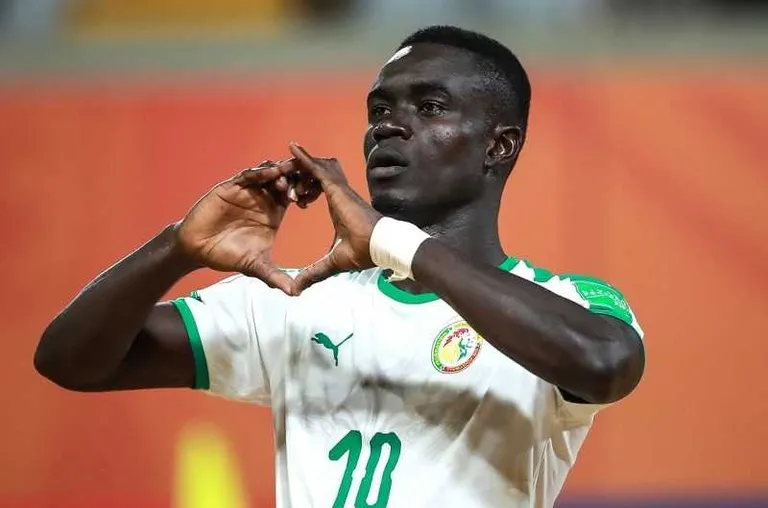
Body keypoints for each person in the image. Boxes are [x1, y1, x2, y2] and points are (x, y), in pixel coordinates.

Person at [34, 25, 645, 508]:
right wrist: (175, 249)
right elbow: (70, 360)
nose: (388, 125)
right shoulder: (299, 299)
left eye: (429, 107)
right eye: (379, 108)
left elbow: (606, 364)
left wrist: (393, 243)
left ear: (498, 145)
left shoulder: (566, 298)